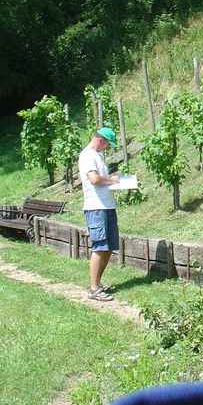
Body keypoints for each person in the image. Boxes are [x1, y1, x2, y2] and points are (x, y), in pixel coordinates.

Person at [78, 127, 121, 302]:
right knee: (100, 246)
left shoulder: (99, 155)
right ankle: (93, 289)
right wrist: (112, 180)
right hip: (96, 207)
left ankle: (98, 284)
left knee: (109, 246)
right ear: (101, 140)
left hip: (107, 206)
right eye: (107, 144)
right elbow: (95, 180)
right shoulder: (87, 155)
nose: (107, 148)